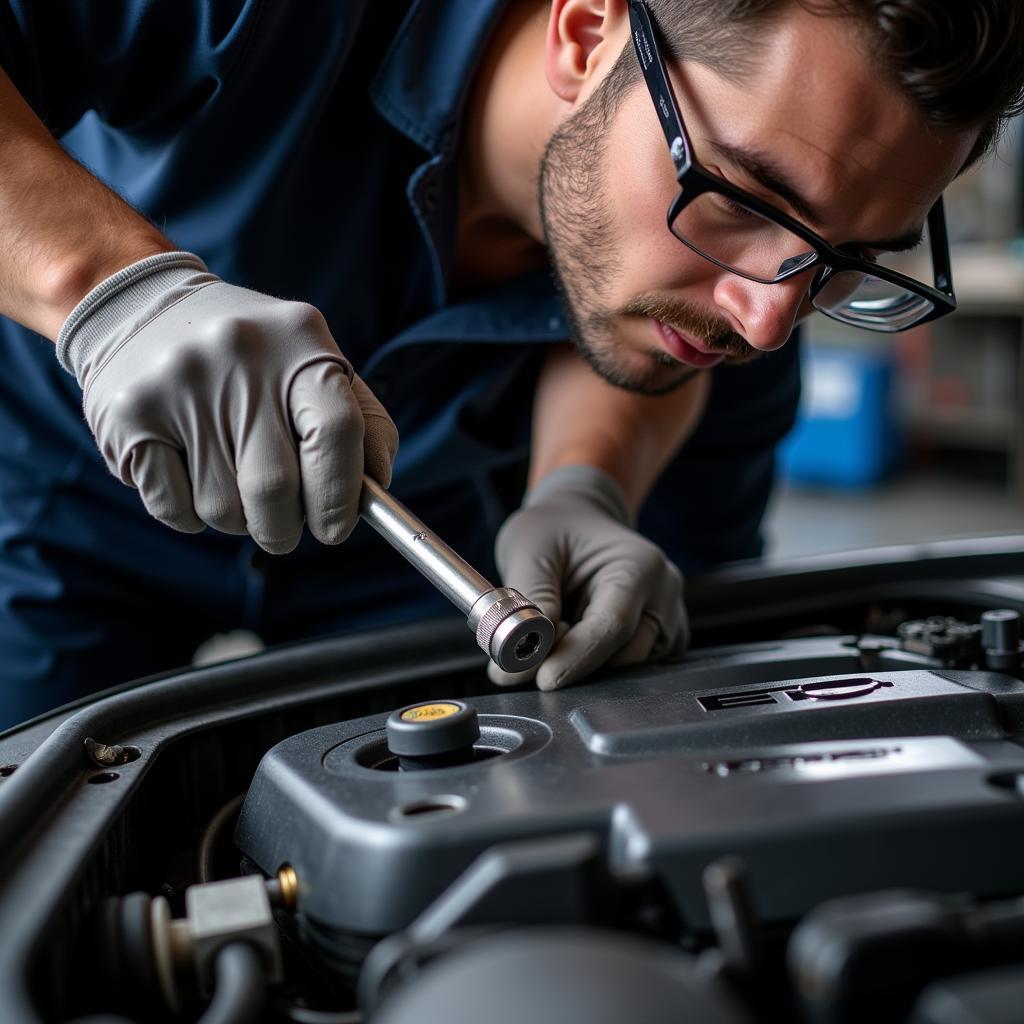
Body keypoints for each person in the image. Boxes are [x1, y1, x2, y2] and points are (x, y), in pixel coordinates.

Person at [0, 0, 1020, 729]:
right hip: (53, 490)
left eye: (846, 259)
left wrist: (591, 489)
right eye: (745, 201)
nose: (768, 325)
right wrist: (114, 291)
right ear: (585, 35)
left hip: (451, 560)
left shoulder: (756, 298)